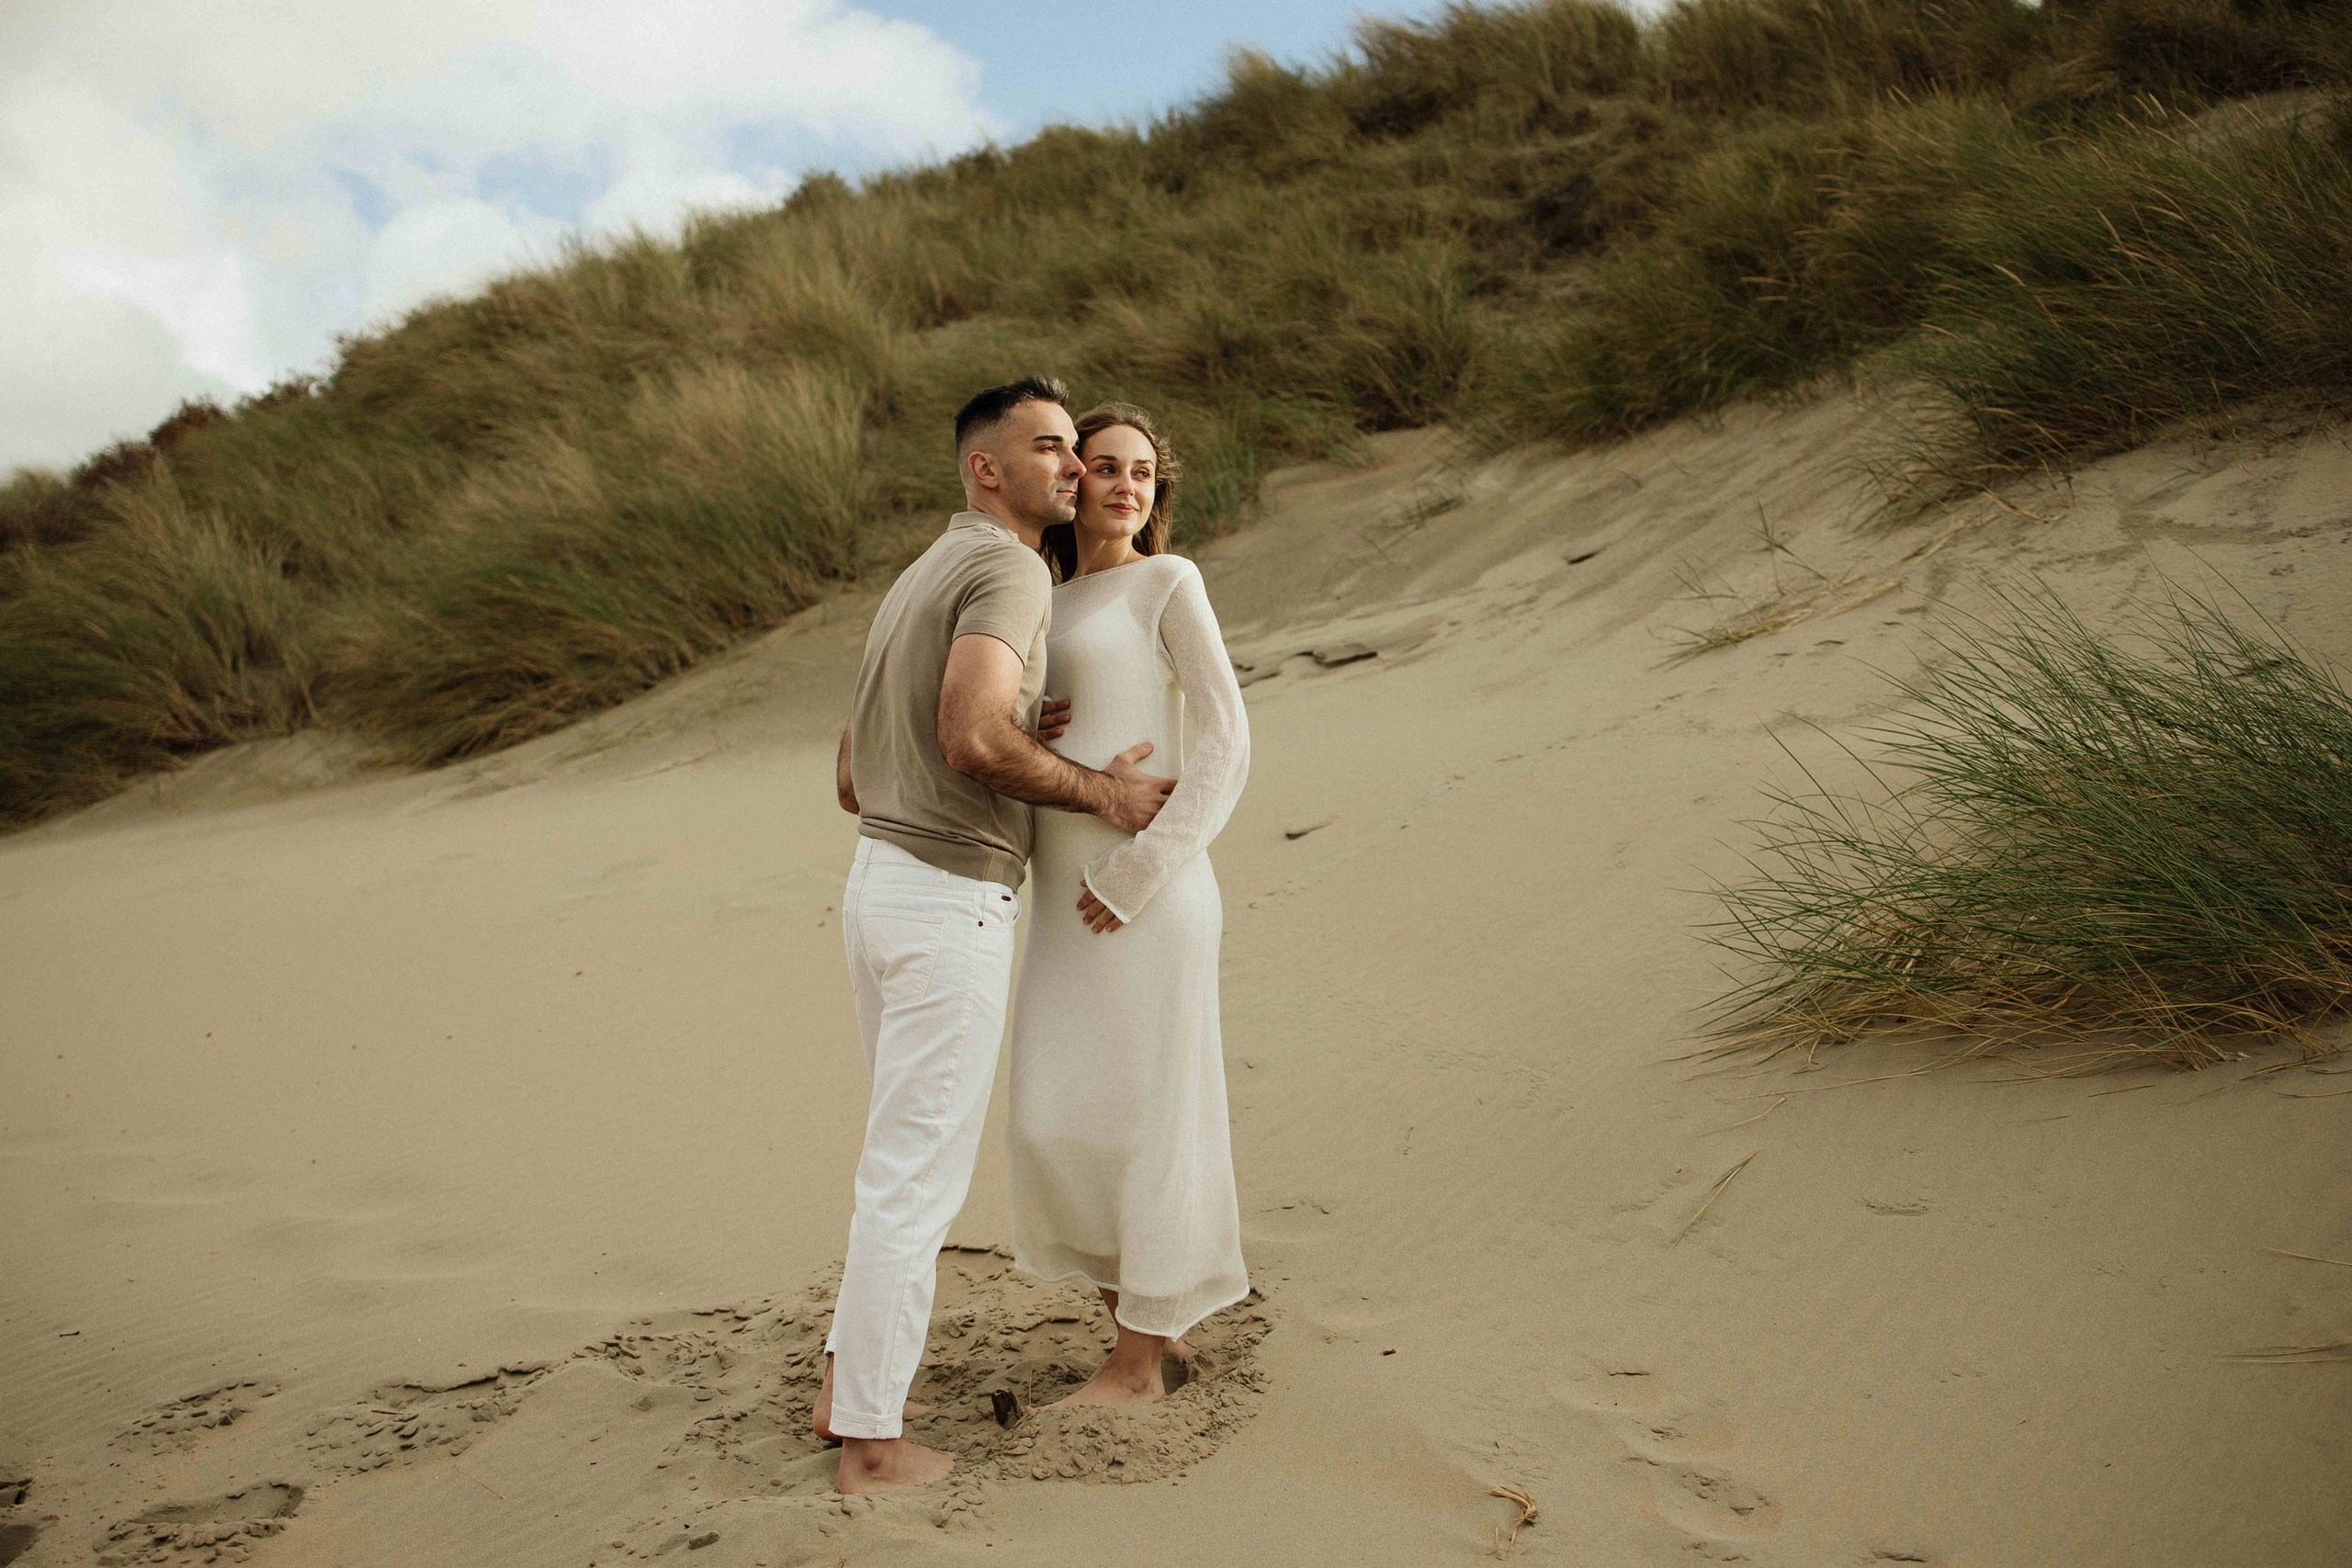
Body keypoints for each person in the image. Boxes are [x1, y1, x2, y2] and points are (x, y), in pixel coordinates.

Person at [814, 376, 1176, 1495]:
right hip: (942, 901)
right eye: (1053, 449)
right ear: (988, 467)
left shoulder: (922, 572)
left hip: (876, 885)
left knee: (896, 1166)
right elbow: (970, 738)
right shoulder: (1012, 568)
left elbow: (847, 775)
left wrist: (1017, 726)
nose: (1076, 468)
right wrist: (1097, 795)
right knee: (914, 1181)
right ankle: (872, 1445)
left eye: (1081, 452)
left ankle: (842, 1391)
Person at [1008, 401, 1251, 1406]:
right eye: (1103, 466)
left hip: (1148, 893)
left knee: (1153, 1115)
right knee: (1049, 1116)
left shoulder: (1168, 581)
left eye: (1143, 472)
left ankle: (1139, 1360)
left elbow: (1228, 741)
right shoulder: (1035, 598)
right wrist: (1037, 723)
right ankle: (1139, 1321)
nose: (1123, 485)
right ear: (1071, 483)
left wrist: (1142, 869)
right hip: (1060, 897)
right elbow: (1005, 738)